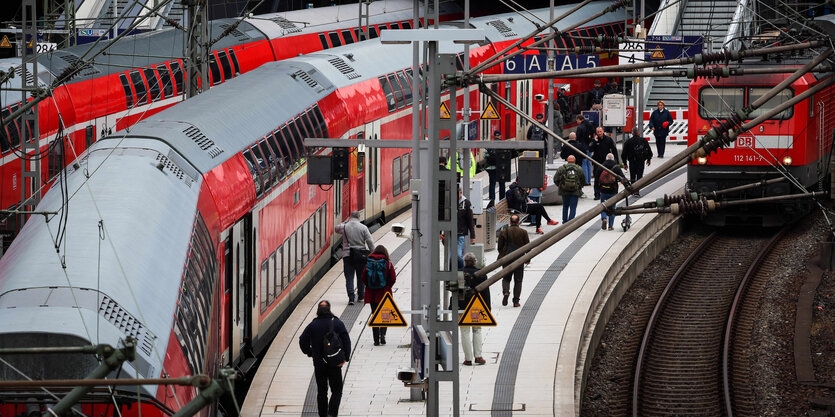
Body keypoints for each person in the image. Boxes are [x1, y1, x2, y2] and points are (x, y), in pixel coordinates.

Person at [299, 300, 351, 417]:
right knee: (336, 391)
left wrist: (310, 353)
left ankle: (323, 415)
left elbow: (302, 341)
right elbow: (347, 341)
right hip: (335, 363)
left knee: (322, 392)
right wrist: (345, 358)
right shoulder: (337, 323)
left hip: (319, 364)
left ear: (318, 310)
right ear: (329, 309)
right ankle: (332, 414)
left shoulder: (313, 325)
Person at [334, 211, 374, 305]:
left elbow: (336, 229)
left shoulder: (344, 227)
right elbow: (370, 242)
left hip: (347, 255)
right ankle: (361, 296)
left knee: (349, 277)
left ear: (350, 217)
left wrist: (345, 223)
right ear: (359, 217)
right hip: (361, 256)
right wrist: (374, 253)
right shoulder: (363, 227)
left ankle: (351, 298)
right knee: (361, 277)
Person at [361, 245, 396, 346]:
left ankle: (376, 340)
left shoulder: (369, 263)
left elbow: (363, 277)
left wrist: (369, 285)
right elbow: (393, 278)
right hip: (385, 293)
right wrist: (388, 286)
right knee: (385, 316)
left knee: (374, 315)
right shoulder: (388, 264)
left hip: (372, 294)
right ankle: (382, 335)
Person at [458, 252, 489, 365]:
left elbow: (455, 292)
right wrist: (487, 307)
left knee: (465, 332)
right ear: (475, 261)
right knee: (477, 330)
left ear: (465, 262)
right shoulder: (481, 274)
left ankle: (468, 359)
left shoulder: (459, 273)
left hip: (462, 306)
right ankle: (478, 356)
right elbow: (486, 292)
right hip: (477, 306)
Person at [497, 214, 530, 307]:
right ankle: (516, 301)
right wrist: (528, 258)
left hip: (507, 258)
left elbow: (500, 247)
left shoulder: (504, 232)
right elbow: (527, 246)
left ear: (510, 222)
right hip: (519, 259)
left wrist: (503, 255)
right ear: (519, 222)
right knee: (518, 280)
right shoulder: (523, 232)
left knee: (506, 278)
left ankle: (506, 292)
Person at [596, 153, 626, 230]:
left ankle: (604, 218)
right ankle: (610, 226)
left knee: (603, 206)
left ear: (606, 158)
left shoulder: (601, 167)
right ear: (613, 159)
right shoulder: (616, 167)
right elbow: (622, 178)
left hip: (603, 191)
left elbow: (597, 180)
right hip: (613, 190)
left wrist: (597, 192)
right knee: (612, 208)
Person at [590, 127, 619, 199]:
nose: (599, 133)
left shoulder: (608, 139)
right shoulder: (595, 140)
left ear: (603, 131)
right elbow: (590, 149)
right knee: (597, 178)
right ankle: (597, 194)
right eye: (598, 132)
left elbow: (614, 149)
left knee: (609, 177)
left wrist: (616, 161)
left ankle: (609, 191)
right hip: (597, 162)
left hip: (607, 162)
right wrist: (595, 142)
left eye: (600, 131)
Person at [621, 127, 653, 192]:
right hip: (641, 161)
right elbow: (649, 151)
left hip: (632, 161)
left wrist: (625, 163)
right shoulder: (643, 141)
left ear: (632, 133)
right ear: (638, 133)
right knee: (639, 175)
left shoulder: (628, 142)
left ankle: (633, 189)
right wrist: (648, 159)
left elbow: (623, 154)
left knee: (632, 176)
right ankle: (637, 190)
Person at [553, 155, 583, 223]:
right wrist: (579, 186)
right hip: (575, 191)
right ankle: (571, 221)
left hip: (564, 190)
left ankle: (564, 221)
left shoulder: (562, 168)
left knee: (565, 206)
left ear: (567, 160)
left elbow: (555, 179)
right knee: (573, 207)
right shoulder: (579, 168)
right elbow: (583, 180)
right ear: (575, 161)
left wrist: (561, 185)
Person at [485, 130, 507, 203]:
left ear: (493, 136)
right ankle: (502, 201)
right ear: (500, 136)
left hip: (491, 168)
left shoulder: (489, 144)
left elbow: (484, 156)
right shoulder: (504, 144)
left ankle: (492, 201)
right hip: (501, 168)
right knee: (502, 184)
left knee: (492, 184)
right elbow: (507, 156)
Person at [456, 187, 476, 268]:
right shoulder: (449, 201)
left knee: (458, 255)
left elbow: (470, 220)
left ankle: (462, 270)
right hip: (450, 233)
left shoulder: (466, 203)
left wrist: (472, 235)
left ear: (460, 193)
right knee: (451, 257)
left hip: (461, 233)